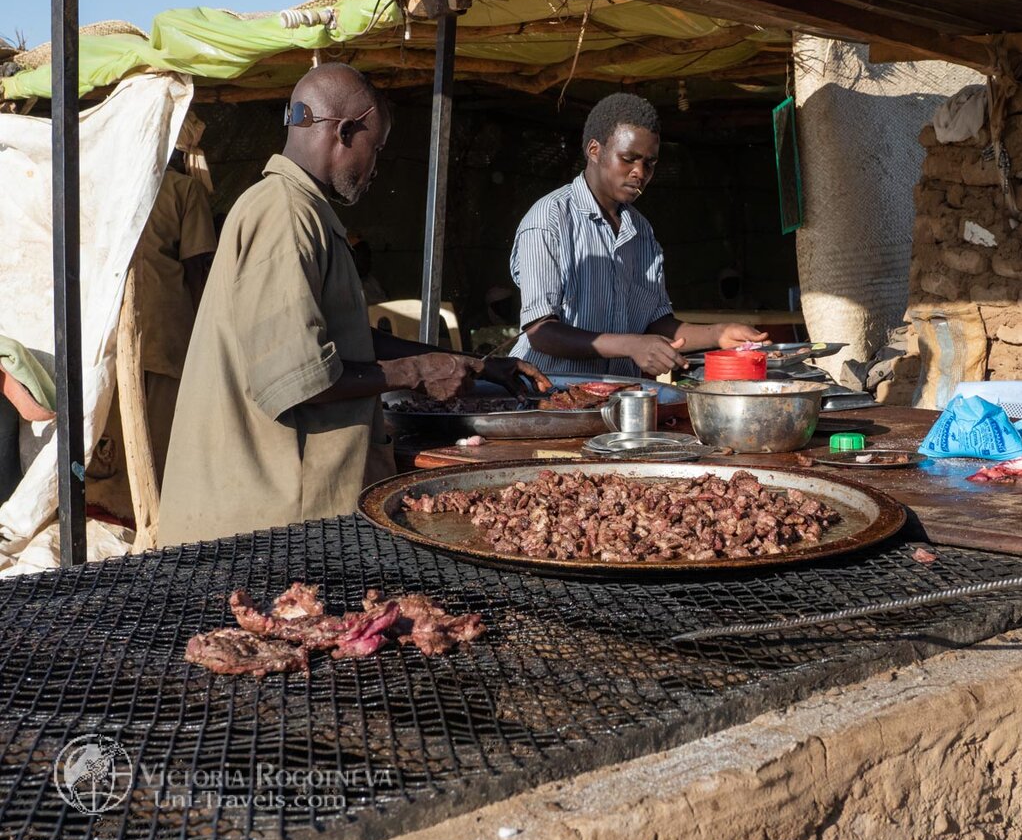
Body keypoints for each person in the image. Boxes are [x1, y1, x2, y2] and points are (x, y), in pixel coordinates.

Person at [158, 63, 548, 545]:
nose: (377, 166)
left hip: (287, 518)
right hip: (270, 528)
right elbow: (300, 377)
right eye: (376, 148)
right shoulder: (284, 213)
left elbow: (348, 342)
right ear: (345, 131)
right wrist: (419, 371)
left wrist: (471, 364)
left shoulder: (301, 210)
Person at [508, 92, 767, 377]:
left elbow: (656, 322)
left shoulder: (640, 230)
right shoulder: (549, 218)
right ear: (594, 150)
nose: (639, 173)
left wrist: (719, 334)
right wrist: (631, 345)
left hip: (618, 395)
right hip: (549, 395)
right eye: (628, 159)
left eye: (650, 163)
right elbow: (541, 331)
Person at [88, 122, 218, 516]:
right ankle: (154, 522)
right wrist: (207, 337)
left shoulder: (109, 191)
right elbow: (197, 270)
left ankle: (117, 516)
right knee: (159, 446)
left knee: (114, 441)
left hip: (108, 334)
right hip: (167, 336)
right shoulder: (185, 191)